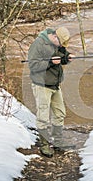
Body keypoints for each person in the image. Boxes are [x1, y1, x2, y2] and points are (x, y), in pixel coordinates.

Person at [28, 26, 75, 157]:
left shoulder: (57, 44)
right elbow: (33, 66)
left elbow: (61, 56)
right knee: (43, 117)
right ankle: (44, 145)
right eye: (60, 43)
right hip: (41, 85)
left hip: (55, 84)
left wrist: (67, 57)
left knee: (60, 113)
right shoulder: (38, 44)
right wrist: (49, 62)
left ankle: (58, 142)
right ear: (55, 37)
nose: (61, 46)